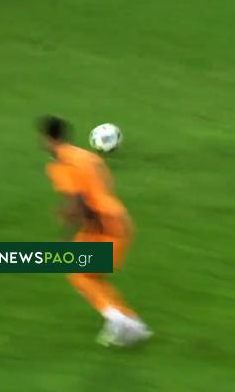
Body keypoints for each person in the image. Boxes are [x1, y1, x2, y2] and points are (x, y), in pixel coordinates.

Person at [39, 115, 151, 347]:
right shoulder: (87, 156)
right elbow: (103, 187)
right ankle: (133, 324)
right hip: (118, 220)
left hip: (102, 225)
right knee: (90, 276)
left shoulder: (61, 164)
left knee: (77, 271)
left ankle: (117, 319)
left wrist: (66, 235)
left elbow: (79, 201)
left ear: (47, 138)